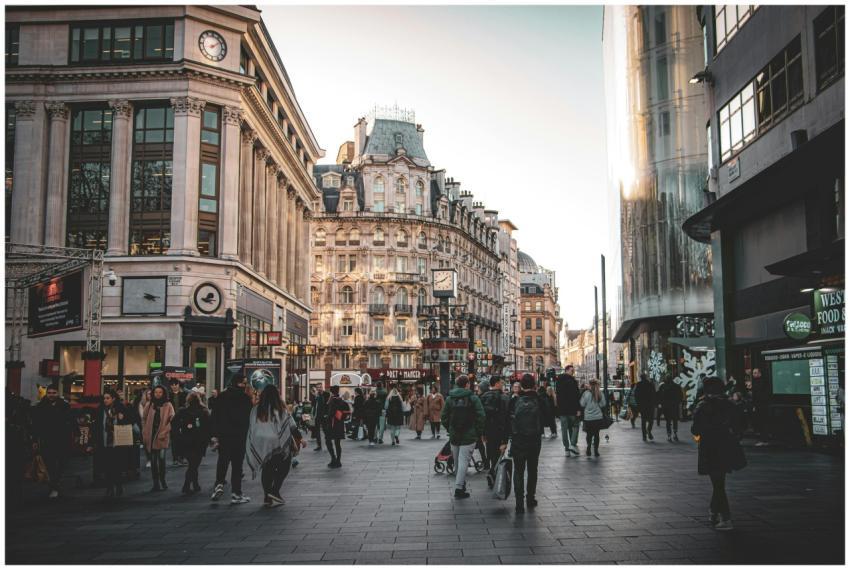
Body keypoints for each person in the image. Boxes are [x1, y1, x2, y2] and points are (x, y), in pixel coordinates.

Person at [691, 377, 746, 531]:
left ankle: (726, 518)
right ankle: (714, 511)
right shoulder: (730, 405)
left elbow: (695, 430)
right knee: (719, 481)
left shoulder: (703, 406)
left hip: (710, 447)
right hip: (727, 446)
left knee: (718, 483)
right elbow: (740, 425)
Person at [246, 385, 304, 507]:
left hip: (262, 443)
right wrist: (300, 438)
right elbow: (291, 425)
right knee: (284, 468)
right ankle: (274, 491)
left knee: (267, 469)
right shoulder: (280, 409)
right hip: (278, 443)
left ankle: (267, 496)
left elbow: (252, 427)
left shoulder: (256, 409)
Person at [210, 373, 253, 504]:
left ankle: (219, 484)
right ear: (238, 383)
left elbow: (214, 416)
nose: (245, 385)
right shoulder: (245, 398)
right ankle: (236, 493)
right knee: (237, 466)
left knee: (223, 461)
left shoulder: (221, 396)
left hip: (224, 436)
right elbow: (248, 418)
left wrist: (215, 435)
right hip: (239, 436)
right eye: (243, 383)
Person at [441, 375, 485, 499]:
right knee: (464, 462)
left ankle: (461, 484)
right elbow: (481, 416)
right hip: (469, 435)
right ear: (467, 385)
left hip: (455, 435)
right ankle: (459, 488)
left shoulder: (450, 399)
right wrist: (478, 432)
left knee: (457, 462)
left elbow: (444, 417)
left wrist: (450, 428)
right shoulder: (473, 398)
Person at [508, 374, 543, 513]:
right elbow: (548, 417)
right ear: (534, 384)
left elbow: (508, 421)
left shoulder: (514, 401)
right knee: (532, 469)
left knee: (518, 470)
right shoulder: (539, 399)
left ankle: (518, 502)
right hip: (534, 440)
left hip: (518, 440)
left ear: (521, 386)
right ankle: (530, 498)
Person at [31, 385, 72, 499]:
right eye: (49, 393)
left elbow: (71, 420)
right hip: (47, 439)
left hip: (62, 439)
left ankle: (55, 484)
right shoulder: (40, 407)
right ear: (46, 393)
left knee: (62, 462)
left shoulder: (64, 406)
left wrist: (76, 434)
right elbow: (36, 424)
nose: (51, 395)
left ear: (58, 393)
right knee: (50, 464)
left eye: (54, 392)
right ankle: (54, 486)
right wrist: (34, 439)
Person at [89, 389, 132, 498]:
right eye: (104, 398)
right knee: (107, 466)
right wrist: (92, 443)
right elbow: (95, 427)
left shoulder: (120, 408)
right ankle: (109, 487)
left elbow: (131, 420)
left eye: (108, 398)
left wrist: (123, 419)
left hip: (117, 442)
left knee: (117, 466)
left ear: (113, 398)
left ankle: (118, 486)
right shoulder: (100, 410)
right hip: (104, 441)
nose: (105, 400)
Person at [172, 391, 210, 495]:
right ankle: (187, 484)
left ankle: (194, 484)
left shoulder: (183, 411)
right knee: (194, 464)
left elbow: (174, 423)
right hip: (200, 441)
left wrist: (178, 436)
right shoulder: (204, 411)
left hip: (186, 440)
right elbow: (208, 427)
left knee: (192, 464)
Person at [142, 385, 175, 492]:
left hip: (162, 436)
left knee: (161, 459)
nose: (158, 394)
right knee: (153, 461)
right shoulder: (150, 404)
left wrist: (165, 431)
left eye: (160, 392)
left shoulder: (168, 405)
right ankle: (155, 483)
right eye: (156, 392)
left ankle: (163, 480)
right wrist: (144, 431)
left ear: (163, 393)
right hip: (150, 435)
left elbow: (172, 420)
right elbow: (144, 418)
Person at [479, 376, 510, 488]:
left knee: (491, 454)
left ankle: (492, 472)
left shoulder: (483, 397)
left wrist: (482, 433)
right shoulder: (503, 397)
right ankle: (494, 474)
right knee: (499, 455)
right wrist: (505, 439)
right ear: (497, 383)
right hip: (500, 431)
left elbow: (481, 417)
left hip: (488, 431)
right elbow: (506, 418)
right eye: (501, 383)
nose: (502, 385)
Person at [555, 367, 582, 456]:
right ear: (566, 370)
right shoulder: (572, 381)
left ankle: (567, 449)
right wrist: (578, 409)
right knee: (574, 426)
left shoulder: (558, 381)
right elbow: (576, 396)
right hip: (572, 409)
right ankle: (573, 444)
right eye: (572, 370)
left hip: (562, 410)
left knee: (564, 429)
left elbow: (557, 395)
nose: (573, 372)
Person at [580, 379, 607, 457]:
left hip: (588, 418)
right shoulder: (600, 393)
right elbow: (603, 404)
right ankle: (596, 451)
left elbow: (582, 404)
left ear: (589, 384)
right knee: (596, 434)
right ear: (597, 385)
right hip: (597, 418)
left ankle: (588, 447)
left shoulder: (586, 393)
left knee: (589, 434)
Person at [325, 386, 348, 467]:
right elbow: (346, 412)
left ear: (331, 392)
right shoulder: (342, 401)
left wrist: (327, 418)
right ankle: (338, 461)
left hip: (332, 424)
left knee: (328, 441)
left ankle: (333, 458)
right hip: (340, 424)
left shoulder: (332, 401)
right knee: (337, 443)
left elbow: (330, 413)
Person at [167, 379, 188, 467]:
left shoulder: (184, 394)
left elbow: (186, 406)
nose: (174, 386)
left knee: (183, 439)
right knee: (174, 440)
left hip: (183, 419)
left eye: (176, 384)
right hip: (172, 420)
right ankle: (175, 458)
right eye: (172, 384)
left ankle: (182, 457)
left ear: (179, 385)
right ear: (170, 386)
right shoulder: (168, 396)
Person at [658, 376, 683, 442]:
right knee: (675, 420)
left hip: (666, 407)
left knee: (668, 421)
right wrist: (677, 402)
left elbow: (659, 396)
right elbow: (681, 396)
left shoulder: (663, 386)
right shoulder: (677, 386)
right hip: (674, 406)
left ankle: (669, 436)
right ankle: (675, 434)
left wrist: (661, 404)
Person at [634, 373, 656, 441]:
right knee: (651, 420)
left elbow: (636, 395)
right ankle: (649, 430)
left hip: (642, 405)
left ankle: (644, 436)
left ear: (641, 378)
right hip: (650, 405)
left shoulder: (638, 384)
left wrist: (638, 404)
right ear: (646, 377)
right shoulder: (650, 384)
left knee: (643, 421)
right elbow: (654, 394)